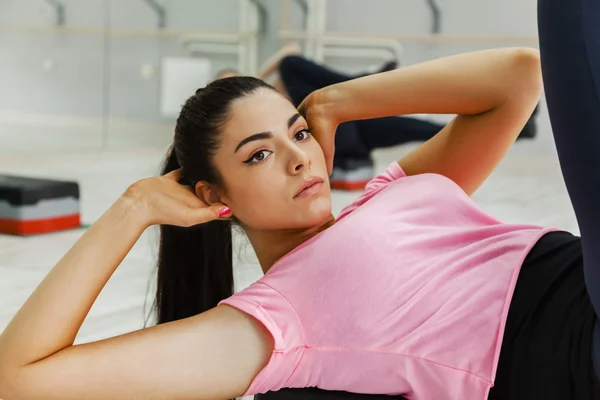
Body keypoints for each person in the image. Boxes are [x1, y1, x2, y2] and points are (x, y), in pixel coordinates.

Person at [0, 2, 596, 400]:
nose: (298, 158)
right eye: (259, 154)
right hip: (574, 340)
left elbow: (519, 79)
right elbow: (18, 376)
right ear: (212, 194)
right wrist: (132, 208)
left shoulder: (387, 192)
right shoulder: (274, 320)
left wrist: (335, 101)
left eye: (299, 133)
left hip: (577, 272)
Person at [218, 43, 448, 190]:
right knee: (397, 127)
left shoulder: (279, 82)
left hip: (347, 119)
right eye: (227, 84)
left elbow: (290, 49)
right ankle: (363, 81)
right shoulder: (249, 116)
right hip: (341, 134)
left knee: (290, 64)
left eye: (235, 78)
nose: (234, 84)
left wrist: (254, 77)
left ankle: (361, 83)